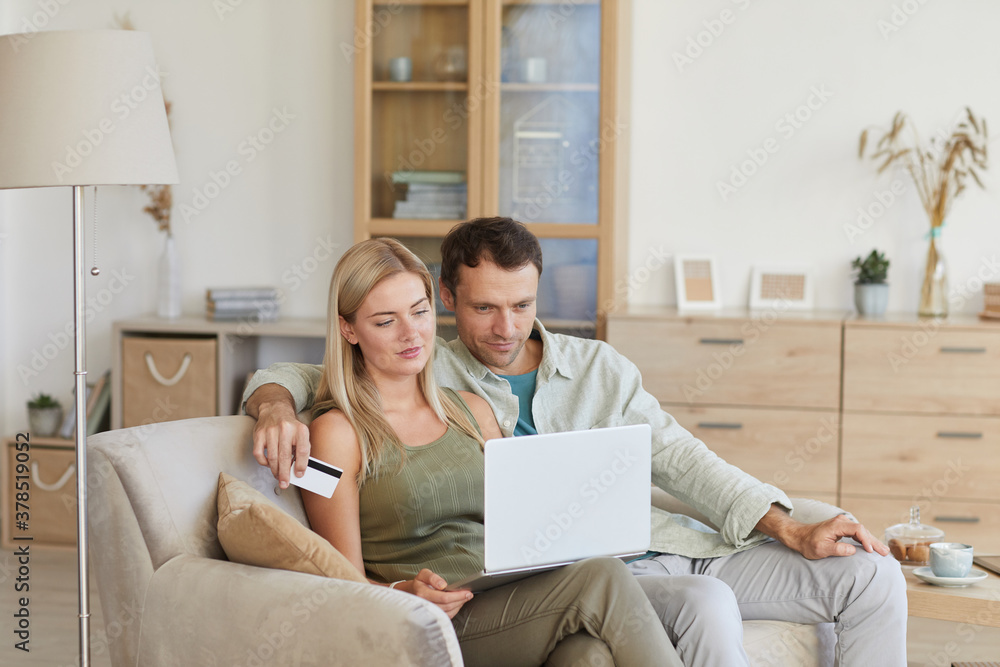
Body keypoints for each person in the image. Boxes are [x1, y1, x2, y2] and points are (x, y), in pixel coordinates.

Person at [245, 218, 907, 666]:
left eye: (522, 305)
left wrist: (789, 525)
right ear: (451, 298)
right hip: (553, 581)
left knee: (871, 573)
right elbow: (307, 378)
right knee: (668, 598)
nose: (506, 328)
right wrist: (272, 405)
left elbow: (679, 457)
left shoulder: (574, 373)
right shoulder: (418, 374)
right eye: (483, 308)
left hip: (634, 550)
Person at [300, 237, 682, 666]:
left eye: (420, 312)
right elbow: (340, 579)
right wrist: (402, 591)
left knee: (587, 656)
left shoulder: (472, 410)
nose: (411, 333)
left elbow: (523, 526)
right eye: (386, 321)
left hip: (508, 594)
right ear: (348, 329)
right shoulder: (336, 434)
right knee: (603, 576)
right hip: (431, 619)